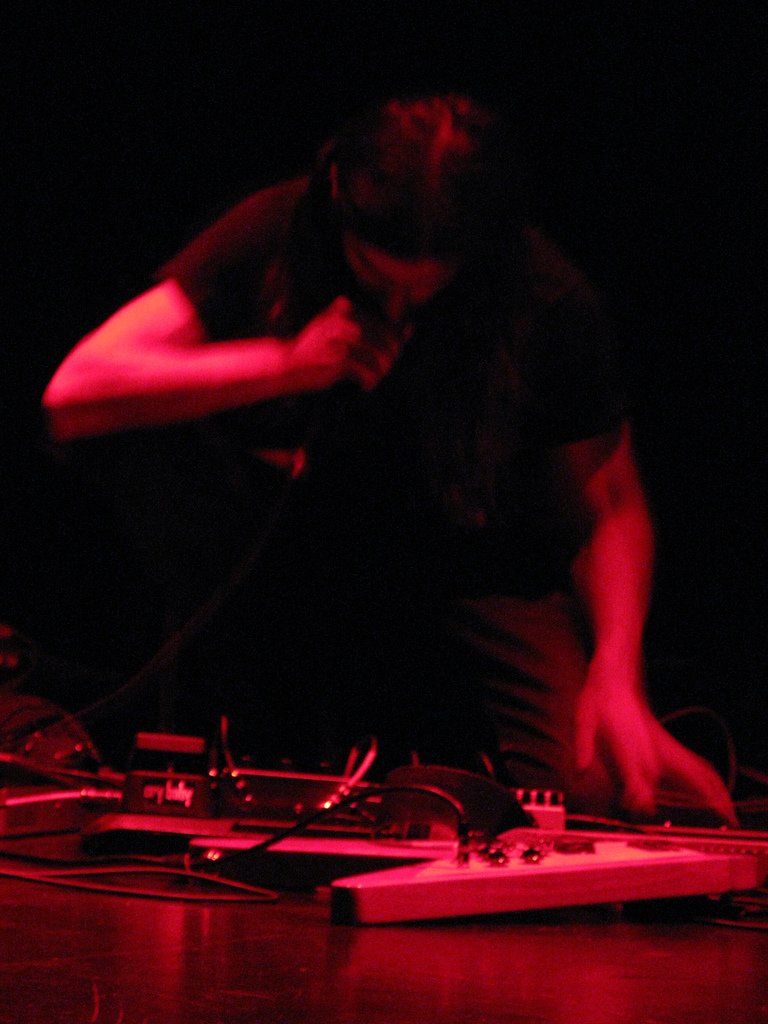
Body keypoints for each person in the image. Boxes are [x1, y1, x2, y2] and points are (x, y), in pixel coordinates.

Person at [43, 94, 735, 822]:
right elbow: (76, 391)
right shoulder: (277, 228)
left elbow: (610, 502)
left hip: (479, 567)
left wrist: (619, 674)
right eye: (377, 278)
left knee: (596, 785)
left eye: (429, 287)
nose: (401, 308)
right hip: (290, 555)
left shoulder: (543, 291)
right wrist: (285, 364)